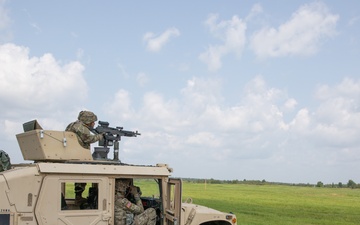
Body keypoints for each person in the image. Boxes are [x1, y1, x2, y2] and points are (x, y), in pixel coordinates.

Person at [65, 110, 104, 205]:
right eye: (93, 122)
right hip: (78, 155)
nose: (94, 124)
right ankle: (78, 197)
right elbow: (88, 139)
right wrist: (100, 136)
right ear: (88, 121)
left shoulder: (73, 125)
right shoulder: (81, 128)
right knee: (82, 177)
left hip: (72, 153)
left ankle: (78, 197)